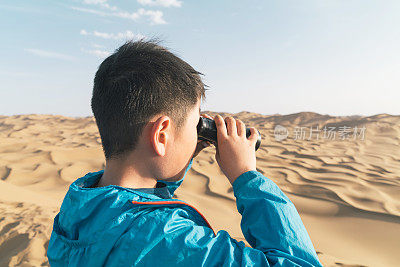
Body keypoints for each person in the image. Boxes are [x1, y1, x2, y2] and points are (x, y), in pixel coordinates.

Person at [46, 39, 322, 266]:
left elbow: (136, 200)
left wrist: (182, 152)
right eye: (196, 124)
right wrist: (247, 175)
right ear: (162, 135)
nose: (197, 134)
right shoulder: (169, 240)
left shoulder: (81, 204)